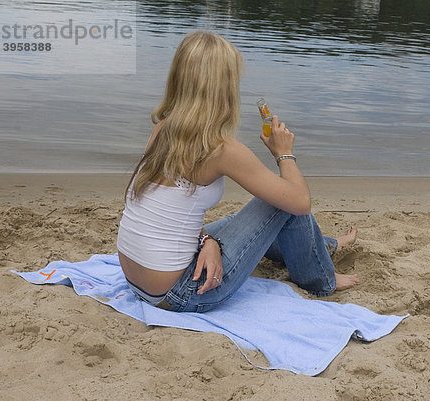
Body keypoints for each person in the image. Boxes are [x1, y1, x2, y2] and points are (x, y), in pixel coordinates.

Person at [116, 31, 359, 313]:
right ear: (224, 87)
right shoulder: (219, 148)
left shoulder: (162, 128)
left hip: (138, 281)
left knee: (240, 219)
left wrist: (208, 242)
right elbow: (300, 201)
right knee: (280, 205)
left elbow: (169, 216)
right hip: (183, 293)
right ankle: (321, 279)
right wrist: (284, 153)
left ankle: (322, 247)